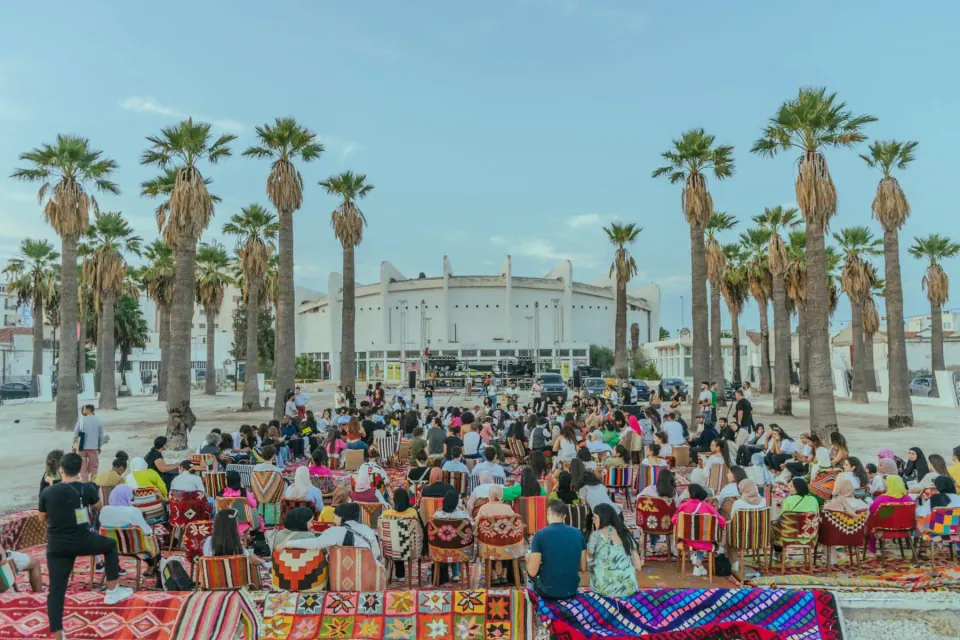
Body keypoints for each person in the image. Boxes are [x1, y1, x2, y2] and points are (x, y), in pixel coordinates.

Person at [40, 452, 133, 639]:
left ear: (61, 469)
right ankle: (112, 590)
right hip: (83, 540)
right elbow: (99, 507)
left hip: (57, 546)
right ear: (80, 470)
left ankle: (58, 634)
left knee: (56, 590)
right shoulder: (86, 489)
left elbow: (42, 518)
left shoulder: (47, 492)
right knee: (110, 545)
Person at [282, 502, 383, 564]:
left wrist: (287, 544)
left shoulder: (335, 531)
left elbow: (315, 544)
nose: (334, 521)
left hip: (343, 574)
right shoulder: (367, 529)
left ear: (341, 517)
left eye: (335, 517)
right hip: (369, 570)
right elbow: (377, 553)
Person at [527, 499, 588, 599]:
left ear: (548, 513)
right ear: (564, 516)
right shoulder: (578, 533)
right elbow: (583, 567)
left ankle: (534, 604)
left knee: (530, 573)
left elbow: (532, 572)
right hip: (571, 590)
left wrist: (529, 558)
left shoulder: (539, 535)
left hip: (548, 591)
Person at [100, 484, 162, 576]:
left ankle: (115, 567)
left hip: (111, 549)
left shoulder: (104, 511)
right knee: (154, 541)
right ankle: (150, 570)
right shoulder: (132, 511)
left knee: (115, 538)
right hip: (135, 550)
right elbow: (148, 532)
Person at [672, 484, 725, 577]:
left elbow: (674, 520)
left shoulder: (684, 505)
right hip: (704, 541)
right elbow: (722, 521)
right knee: (702, 536)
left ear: (691, 493)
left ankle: (697, 564)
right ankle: (698, 565)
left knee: (695, 536)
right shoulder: (708, 507)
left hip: (686, 540)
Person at [202, 509, 268, 568]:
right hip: (238, 580)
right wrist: (262, 561)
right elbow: (253, 560)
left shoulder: (209, 542)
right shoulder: (236, 546)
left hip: (214, 579)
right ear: (233, 527)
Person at [219, 471, 260, 535]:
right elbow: (254, 505)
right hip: (243, 526)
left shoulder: (221, 493)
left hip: (226, 525)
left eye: (226, 479)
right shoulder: (244, 492)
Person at [73, 404, 105, 482]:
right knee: (94, 467)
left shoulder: (81, 420)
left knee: (83, 467)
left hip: (81, 447)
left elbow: (76, 434)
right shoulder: (98, 420)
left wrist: (74, 447)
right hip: (94, 448)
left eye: (84, 409)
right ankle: (93, 484)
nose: (83, 411)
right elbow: (101, 436)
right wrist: (99, 447)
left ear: (88, 410)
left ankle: (85, 484)